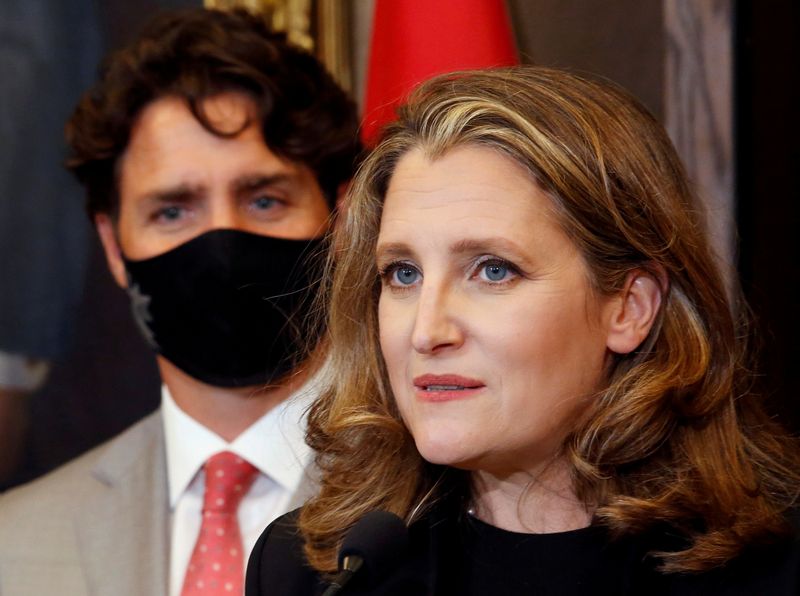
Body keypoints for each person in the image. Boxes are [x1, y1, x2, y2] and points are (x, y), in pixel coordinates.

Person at [246, 66, 800, 595]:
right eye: (404, 273)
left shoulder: (776, 567)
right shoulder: (315, 572)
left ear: (630, 308)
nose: (426, 331)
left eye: (492, 270)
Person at [0, 7, 360, 596]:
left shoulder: (449, 501)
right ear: (115, 248)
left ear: (341, 221)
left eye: (265, 200)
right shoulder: (15, 543)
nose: (220, 240)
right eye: (172, 211)